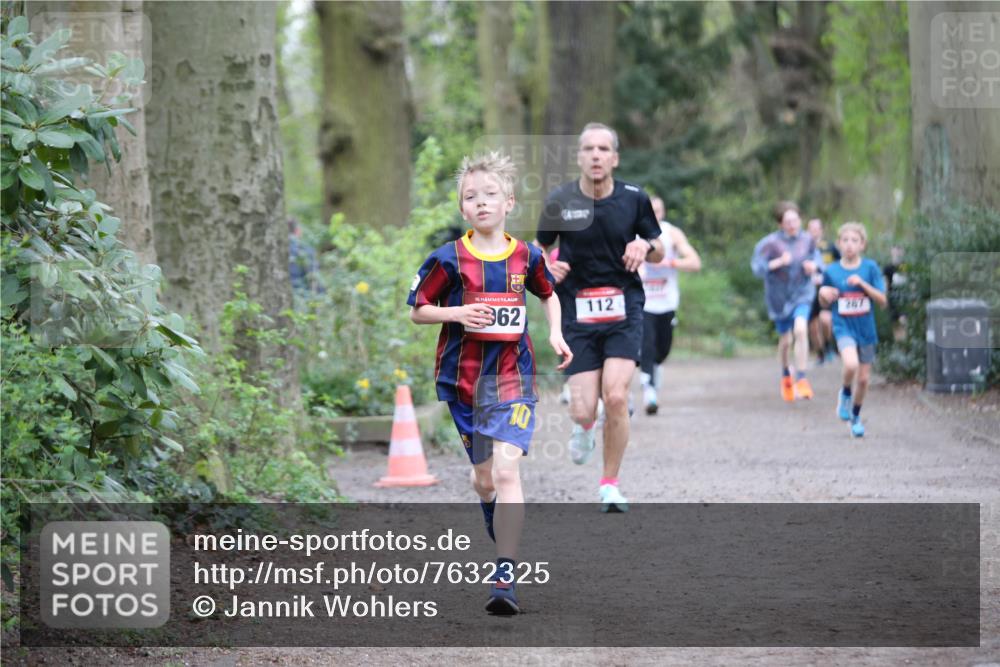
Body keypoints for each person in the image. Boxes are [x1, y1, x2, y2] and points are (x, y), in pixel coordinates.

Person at [408, 152, 572, 614]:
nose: (481, 203)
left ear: (509, 203)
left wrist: (556, 332)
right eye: (471, 197)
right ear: (463, 209)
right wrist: (457, 312)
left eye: (490, 195)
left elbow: (548, 295)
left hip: (512, 380)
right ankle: (489, 509)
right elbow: (418, 309)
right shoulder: (447, 259)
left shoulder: (527, 255)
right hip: (463, 384)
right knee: (484, 481)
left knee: (506, 472)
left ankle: (505, 575)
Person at [534, 122, 664, 513]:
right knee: (583, 408)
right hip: (577, 313)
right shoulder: (560, 200)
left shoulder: (633, 198)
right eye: (588, 148)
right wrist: (546, 270)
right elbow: (538, 249)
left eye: (603, 149)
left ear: (614, 158)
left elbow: (657, 248)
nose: (595, 155)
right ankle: (584, 425)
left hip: (624, 309)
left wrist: (644, 246)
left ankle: (609, 484)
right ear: (578, 157)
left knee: (617, 395)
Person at [819, 222, 887, 438]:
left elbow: (882, 300)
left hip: (866, 330)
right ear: (838, 244)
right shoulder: (831, 271)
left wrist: (862, 284)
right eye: (845, 240)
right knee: (850, 364)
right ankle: (845, 393)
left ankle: (856, 417)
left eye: (854, 241)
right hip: (843, 326)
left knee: (865, 380)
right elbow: (823, 303)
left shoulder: (870, 268)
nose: (849, 245)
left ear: (862, 245)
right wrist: (823, 294)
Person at [751, 201, 822, 402]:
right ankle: (785, 376)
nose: (792, 224)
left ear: (800, 220)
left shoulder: (808, 240)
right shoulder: (770, 243)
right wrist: (778, 262)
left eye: (795, 220)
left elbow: (817, 260)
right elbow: (757, 268)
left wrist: (813, 267)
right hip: (779, 298)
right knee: (786, 341)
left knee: (800, 330)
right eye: (787, 221)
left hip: (802, 294)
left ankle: (801, 378)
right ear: (780, 223)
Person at [638, 195, 702, 414]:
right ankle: (649, 391)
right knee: (646, 344)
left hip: (667, 302)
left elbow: (695, 262)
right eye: (650, 211)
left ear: (663, 212)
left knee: (662, 350)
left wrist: (671, 262)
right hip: (643, 302)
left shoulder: (672, 233)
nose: (655, 215)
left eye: (658, 211)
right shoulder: (634, 234)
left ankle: (652, 372)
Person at [806, 217, 839, 365]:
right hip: (809, 291)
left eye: (816, 228)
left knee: (826, 320)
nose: (813, 231)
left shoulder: (830, 247)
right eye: (810, 228)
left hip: (826, 289)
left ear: (821, 230)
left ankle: (828, 346)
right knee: (812, 326)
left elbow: (840, 264)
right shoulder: (803, 247)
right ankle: (820, 354)